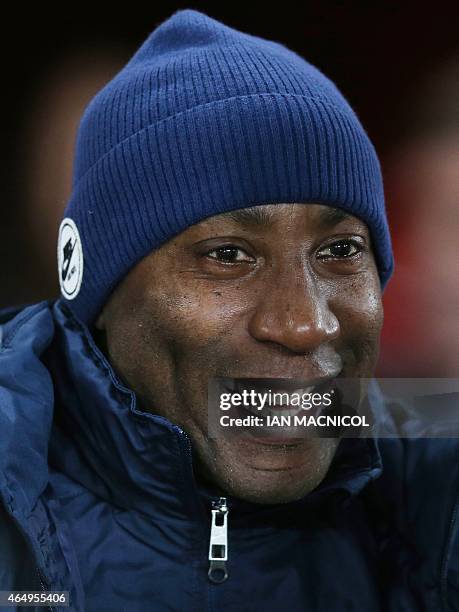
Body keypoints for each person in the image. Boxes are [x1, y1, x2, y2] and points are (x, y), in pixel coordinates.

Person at [0, 9, 457, 612]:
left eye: (341, 250)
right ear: (100, 293)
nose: (305, 323)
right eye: (229, 255)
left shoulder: (434, 494)